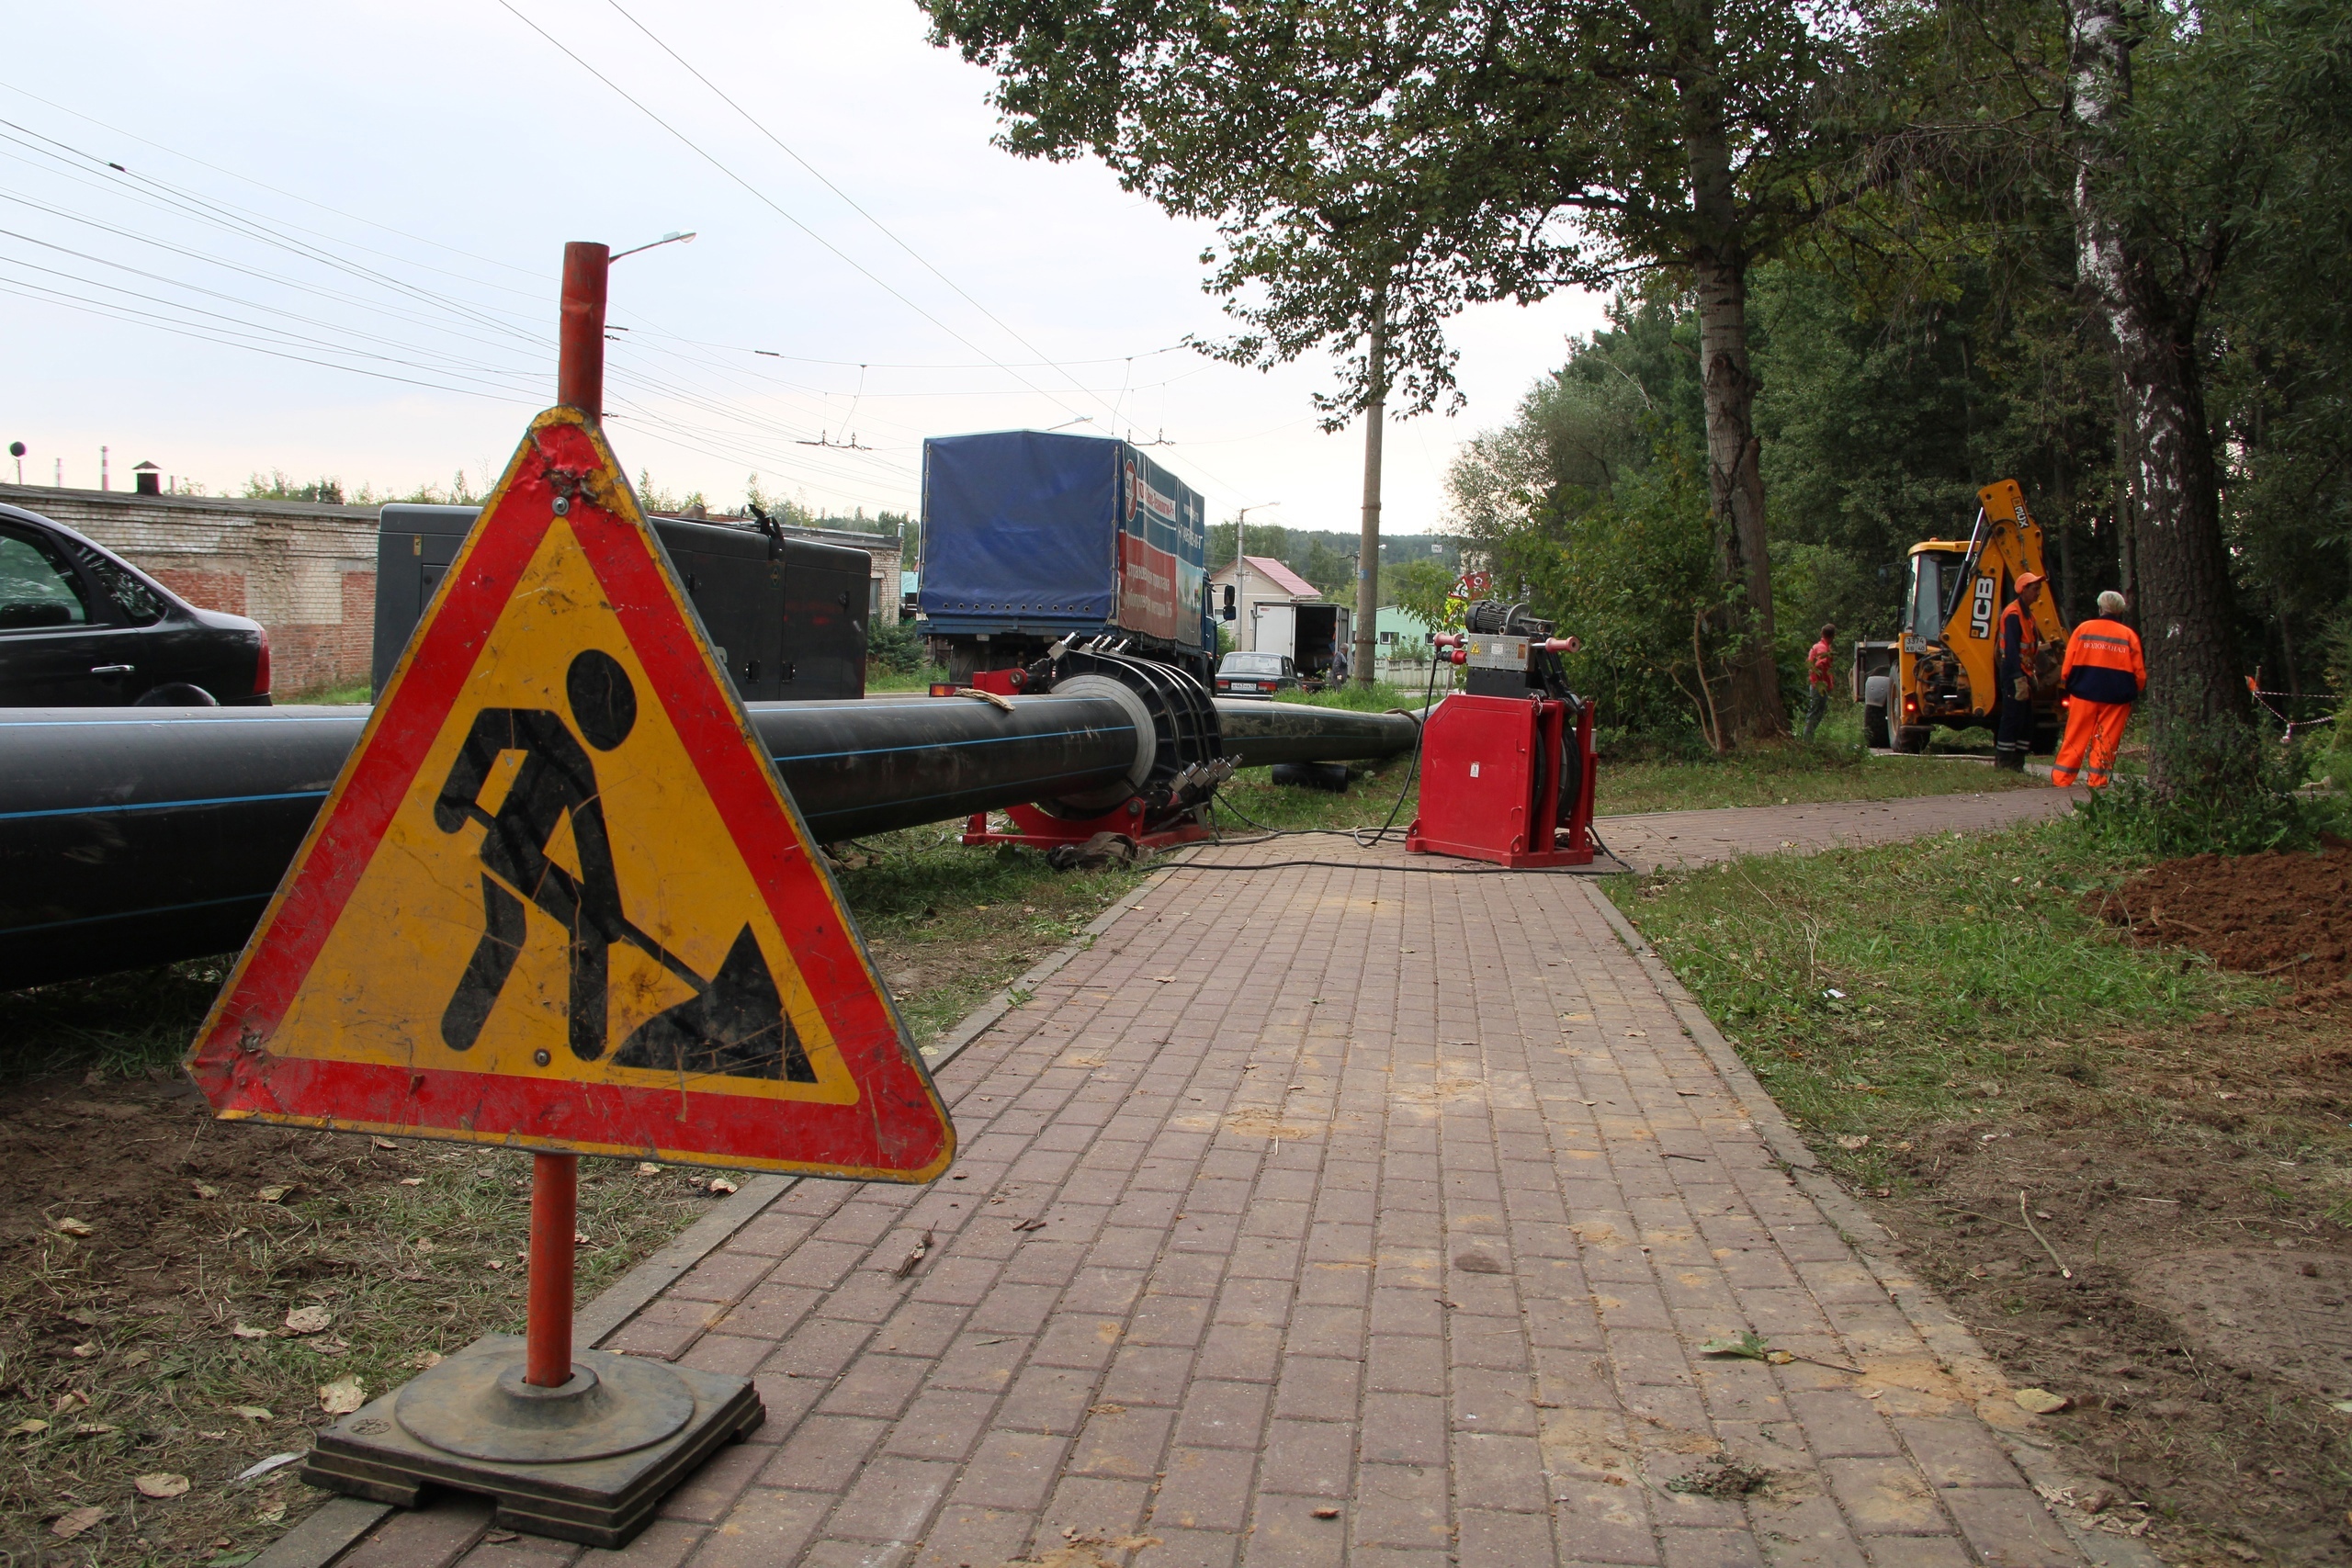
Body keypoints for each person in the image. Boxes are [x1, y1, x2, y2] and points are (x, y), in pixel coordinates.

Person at [2052, 590, 2144, 789]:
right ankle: (2098, 781)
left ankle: (2062, 779)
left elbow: (2068, 664)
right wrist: (2133, 690)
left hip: (2083, 692)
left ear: (2100, 607)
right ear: (2120, 610)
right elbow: (2139, 673)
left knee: (2075, 736)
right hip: (2117, 697)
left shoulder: (2084, 629)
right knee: (2106, 740)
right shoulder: (2128, 636)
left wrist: (2069, 683)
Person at [1993, 572, 2048, 772]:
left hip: (2023, 671)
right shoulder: (2013, 614)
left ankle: (2017, 762)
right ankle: (2005, 762)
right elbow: (2011, 649)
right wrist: (2017, 677)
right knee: (2012, 716)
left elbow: (2030, 648)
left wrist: (2031, 675)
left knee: (2025, 719)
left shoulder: (2028, 615)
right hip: (2013, 672)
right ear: (2023, 590)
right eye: (2035, 589)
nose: (2038, 593)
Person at [1802, 623, 1836, 739]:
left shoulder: (1817, 646)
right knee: (1815, 713)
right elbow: (1820, 663)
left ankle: (1808, 738)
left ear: (1822, 633)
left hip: (1816, 684)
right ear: (1833, 636)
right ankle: (1807, 740)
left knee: (1815, 712)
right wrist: (1820, 680)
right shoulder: (1823, 648)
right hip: (1819, 686)